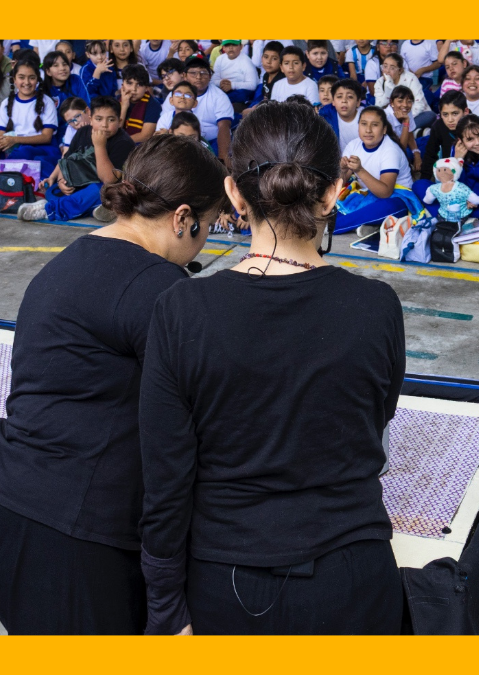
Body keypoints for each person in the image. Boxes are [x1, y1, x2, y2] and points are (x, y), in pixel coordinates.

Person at [139, 101, 404, 636]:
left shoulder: (183, 310)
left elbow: (166, 478)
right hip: (354, 578)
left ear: (234, 193)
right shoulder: (377, 308)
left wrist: (165, 606)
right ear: (332, 194)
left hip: (226, 580)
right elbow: (373, 418)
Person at [0, 134, 229, 635]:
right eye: (208, 227)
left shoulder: (74, 257)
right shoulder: (160, 288)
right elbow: (187, 436)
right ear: (182, 218)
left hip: (5, 504)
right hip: (70, 535)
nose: (205, 242)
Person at [18, 96, 136, 223]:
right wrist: (63, 180)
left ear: (120, 121)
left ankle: (49, 210)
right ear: (90, 119)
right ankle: (98, 208)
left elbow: (108, 180)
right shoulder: (83, 132)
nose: (104, 125)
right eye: (98, 119)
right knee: (53, 191)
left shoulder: (124, 143)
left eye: (111, 120)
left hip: (106, 187)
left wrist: (99, 146)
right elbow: (68, 160)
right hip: (82, 183)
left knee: (101, 191)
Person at [335, 106, 420, 234]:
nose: (368, 130)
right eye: (363, 124)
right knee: (336, 200)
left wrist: (360, 170)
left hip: (397, 197)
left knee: (388, 207)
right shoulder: (353, 145)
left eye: (374, 125)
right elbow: (340, 183)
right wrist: (342, 170)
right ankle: (370, 224)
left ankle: (335, 226)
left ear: (384, 129)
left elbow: (385, 192)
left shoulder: (390, 150)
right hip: (367, 195)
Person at [0, 60, 61, 180]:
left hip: (43, 148)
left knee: (25, 153)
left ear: (37, 80)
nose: (27, 82)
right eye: (21, 77)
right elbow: (1, 135)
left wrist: (16, 139)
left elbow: (46, 137)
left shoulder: (47, 102)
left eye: (32, 78)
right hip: (14, 146)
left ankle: (7, 178)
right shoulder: (6, 103)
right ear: (14, 80)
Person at [182, 56, 235, 166]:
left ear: (210, 76)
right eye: (193, 73)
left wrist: (223, 160)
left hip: (213, 142)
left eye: (203, 72)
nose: (198, 77)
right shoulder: (177, 94)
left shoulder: (219, 96)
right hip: (183, 140)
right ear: (184, 76)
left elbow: (224, 126)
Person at [373, 54, 431, 127]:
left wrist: (403, 119)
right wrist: (389, 86)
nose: (387, 71)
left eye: (392, 68)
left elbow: (419, 104)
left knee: (430, 115)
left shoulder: (410, 78)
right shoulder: (379, 82)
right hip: (392, 117)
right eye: (385, 66)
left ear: (400, 70)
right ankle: (414, 132)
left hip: (413, 115)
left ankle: (407, 130)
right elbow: (379, 105)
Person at [118, 65, 162, 144]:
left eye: (139, 84)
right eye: (129, 83)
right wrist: (124, 106)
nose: (133, 89)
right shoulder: (115, 101)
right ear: (122, 85)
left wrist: (119, 143)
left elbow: (145, 136)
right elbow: (114, 130)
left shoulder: (154, 105)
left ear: (146, 88)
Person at [318, 79, 363, 151]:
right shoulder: (325, 118)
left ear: (358, 102)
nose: (344, 100)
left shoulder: (366, 116)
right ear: (333, 101)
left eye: (350, 97)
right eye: (339, 96)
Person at [213, 40, 258, 108]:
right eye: (227, 45)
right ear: (223, 48)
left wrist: (232, 85)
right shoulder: (220, 59)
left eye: (234, 45)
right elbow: (213, 80)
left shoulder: (246, 61)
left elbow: (252, 85)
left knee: (242, 94)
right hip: (223, 89)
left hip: (239, 91)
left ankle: (223, 103)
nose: (230, 48)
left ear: (241, 47)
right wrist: (221, 83)